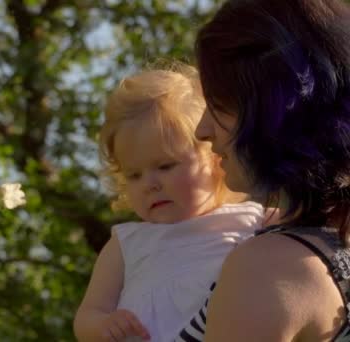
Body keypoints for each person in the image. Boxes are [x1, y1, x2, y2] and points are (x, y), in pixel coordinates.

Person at [176, 0, 350, 341]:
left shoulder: (270, 269)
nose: (201, 130)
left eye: (219, 106)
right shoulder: (336, 248)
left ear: (278, 108)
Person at [73, 65, 264, 342]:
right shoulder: (127, 244)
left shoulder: (254, 220)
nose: (150, 183)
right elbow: (87, 315)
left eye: (165, 166)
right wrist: (103, 325)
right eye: (134, 175)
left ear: (214, 159)